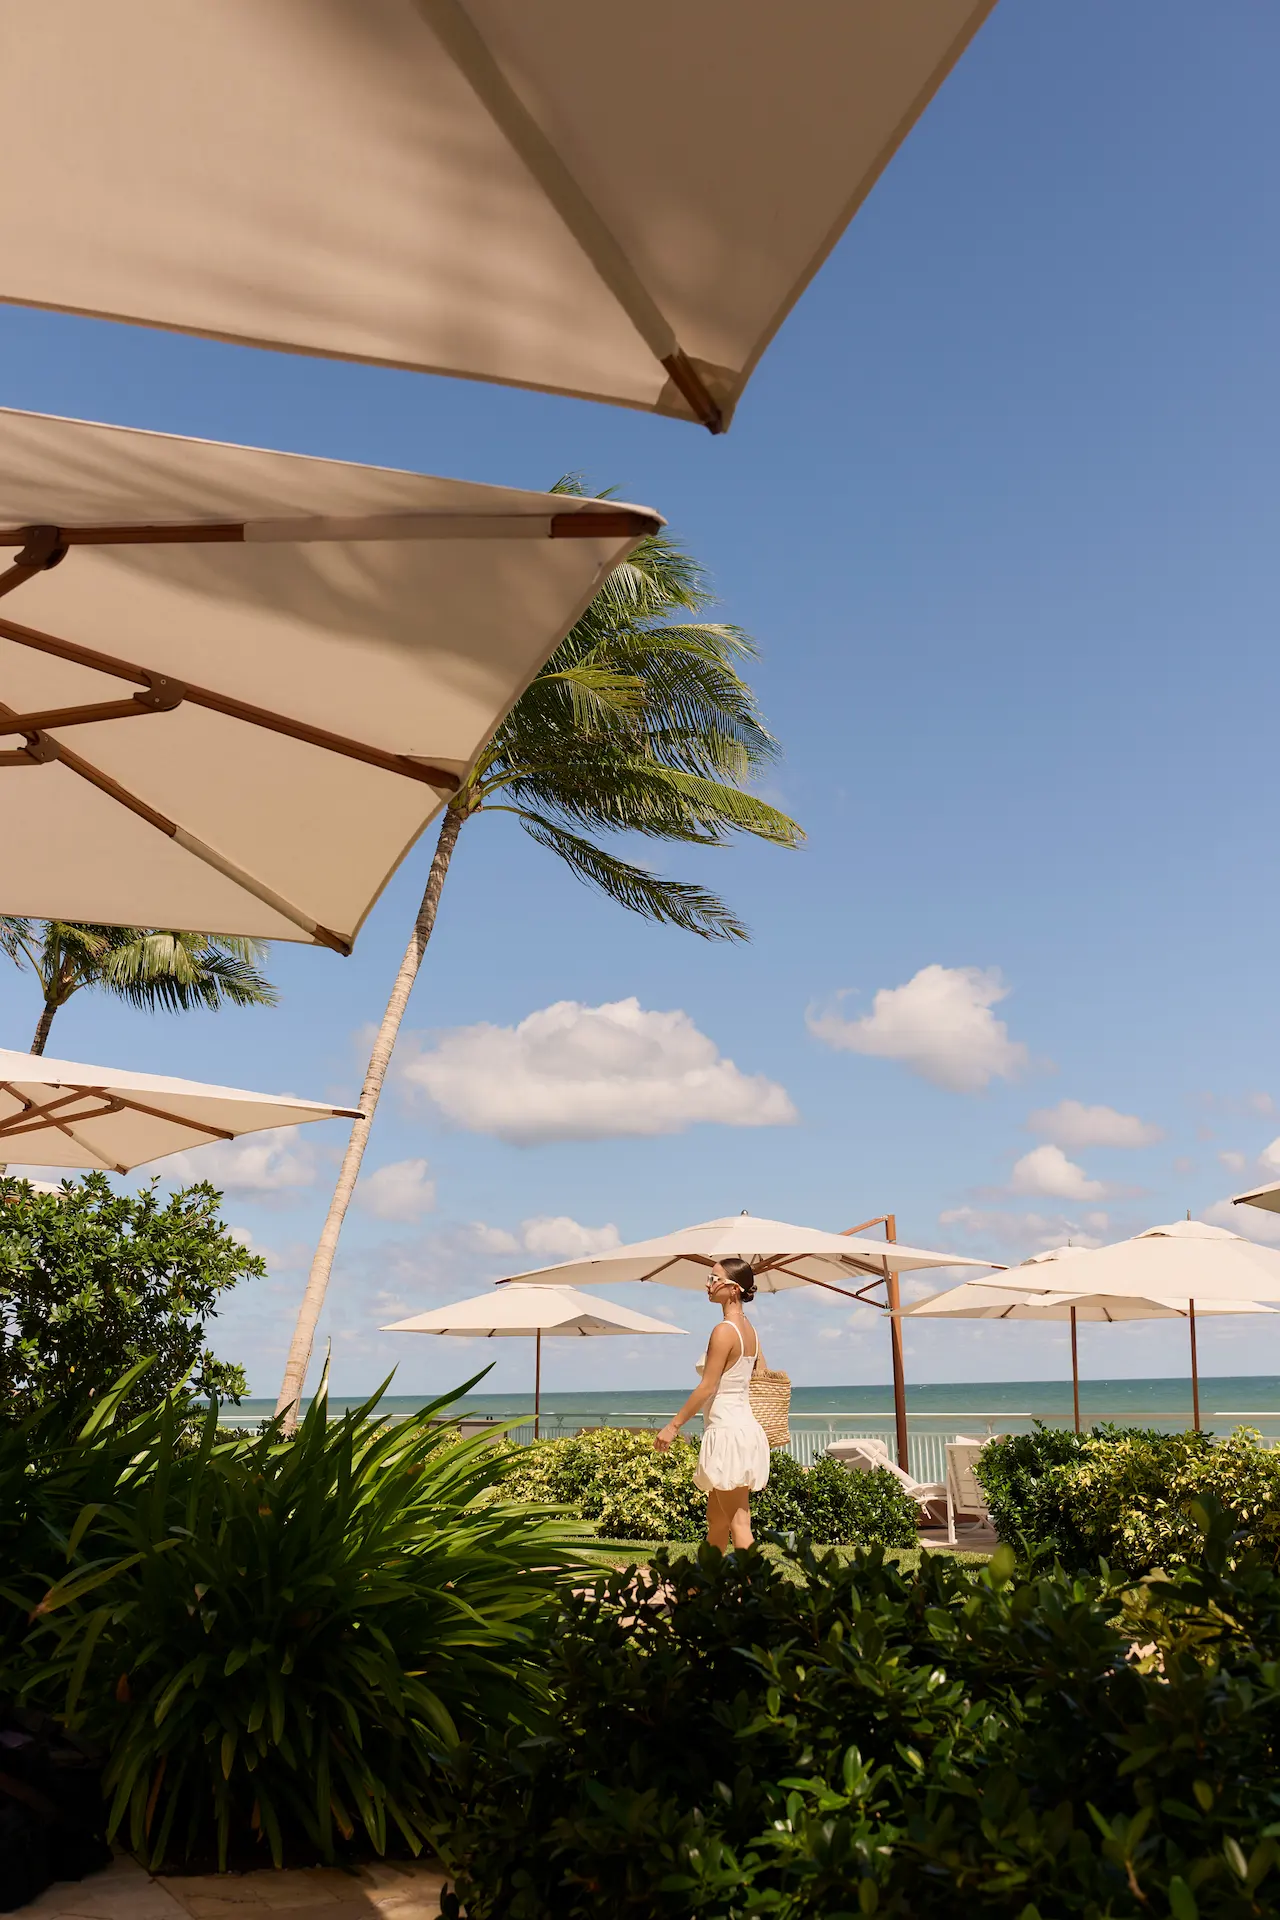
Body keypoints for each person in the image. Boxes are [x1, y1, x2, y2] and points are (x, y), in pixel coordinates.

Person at [654, 1255, 770, 1549]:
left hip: (728, 1432)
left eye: (714, 1279)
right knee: (717, 1521)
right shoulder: (751, 1331)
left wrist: (673, 1425)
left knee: (739, 1523)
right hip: (742, 1428)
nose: (708, 1284)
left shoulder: (724, 1331)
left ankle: (757, 1590)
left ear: (733, 1289)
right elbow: (758, 1372)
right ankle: (704, 1585)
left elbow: (708, 1386)